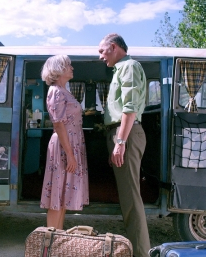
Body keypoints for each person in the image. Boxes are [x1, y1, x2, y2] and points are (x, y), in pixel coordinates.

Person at [98, 33, 150, 256]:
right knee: (127, 196)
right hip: (122, 134)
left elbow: (129, 108)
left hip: (126, 134)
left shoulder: (128, 67)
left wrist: (120, 141)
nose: (101, 57)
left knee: (131, 198)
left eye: (102, 51)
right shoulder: (121, 69)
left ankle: (141, 252)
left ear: (113, 47)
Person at [39, 54, 89, 230]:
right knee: (57, 195)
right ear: (58, 69)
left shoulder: (64, 91)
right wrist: (70, 154)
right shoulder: (56, 91)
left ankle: (57, 238)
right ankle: (51, 242)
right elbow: (58, 124)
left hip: (70, 143)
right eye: (68, 65)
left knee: (62, 196)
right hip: (63, 145)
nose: (72, 68)